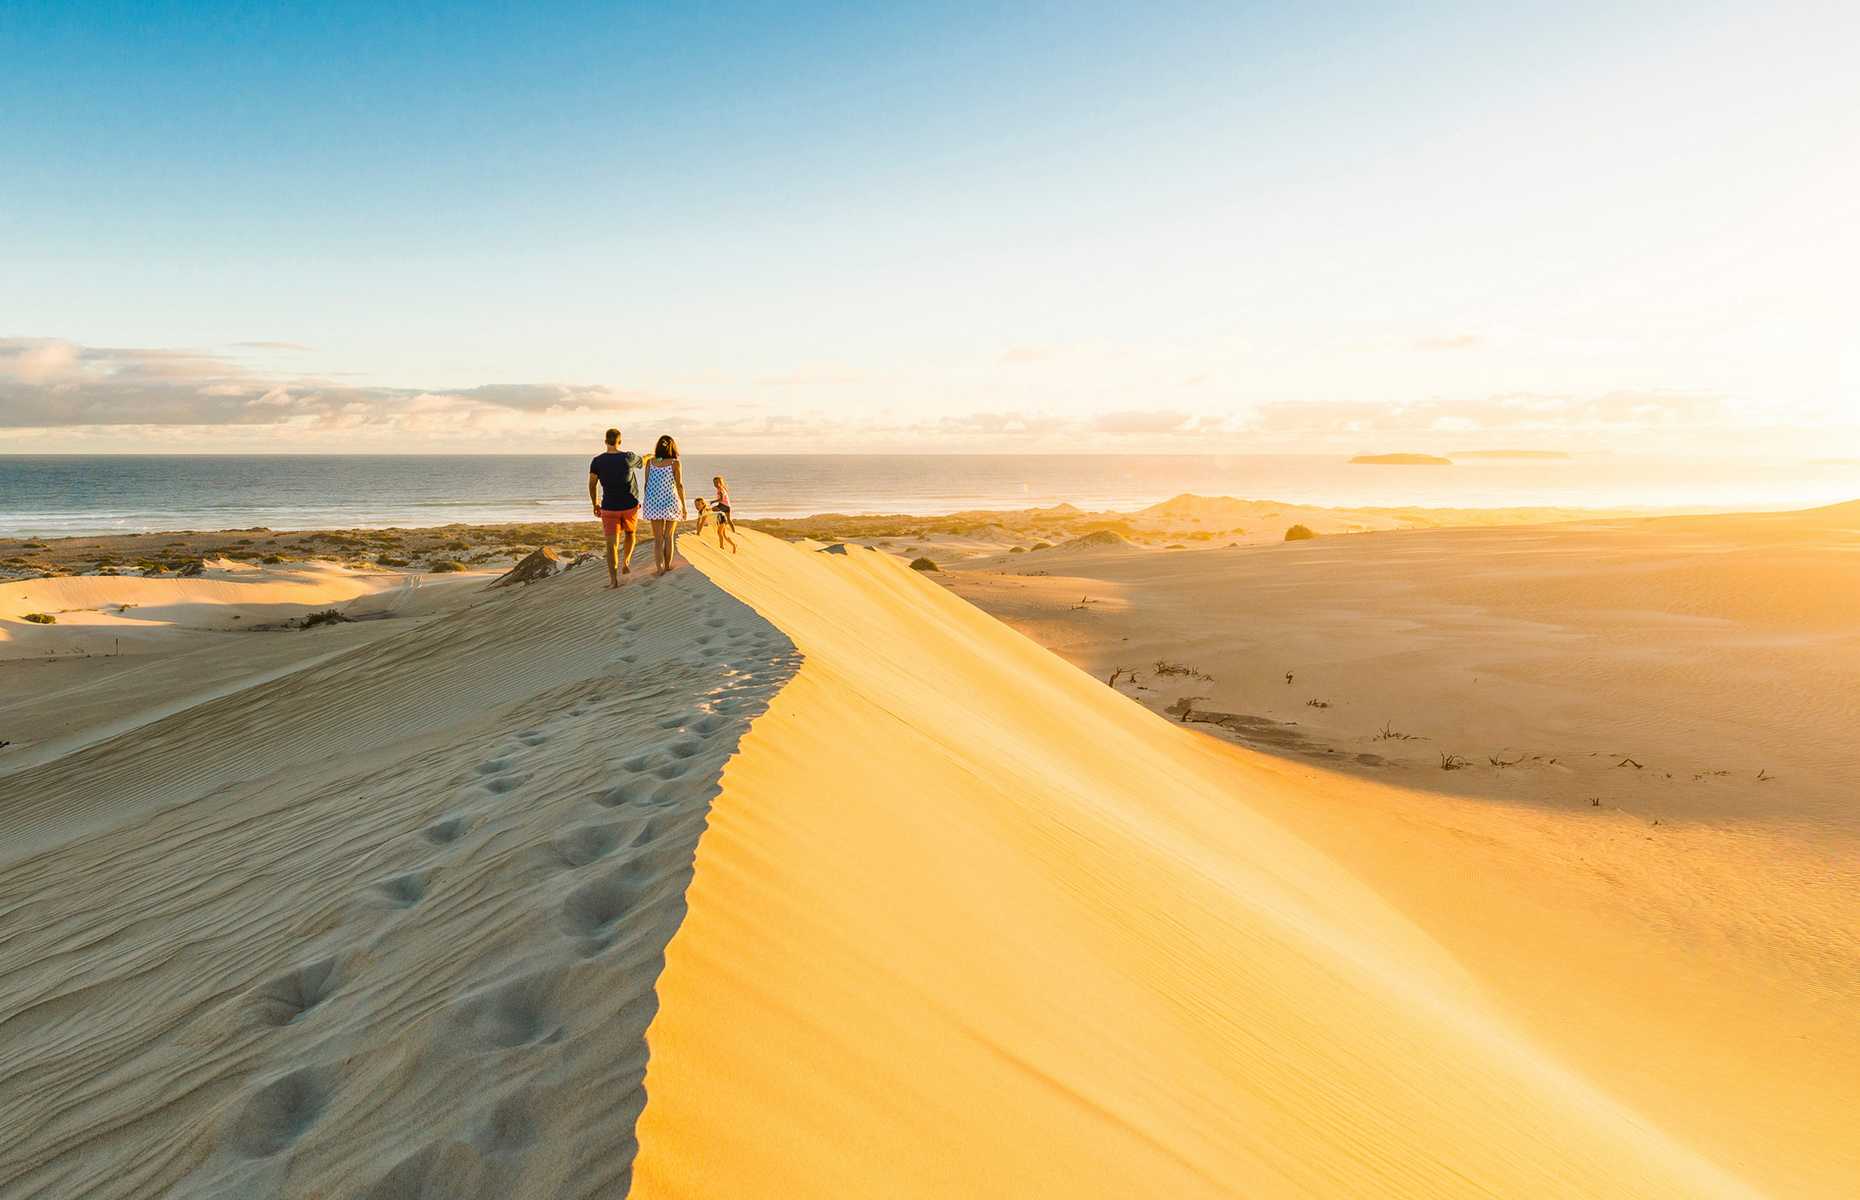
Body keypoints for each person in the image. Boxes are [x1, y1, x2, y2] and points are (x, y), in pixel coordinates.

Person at [587, 427, 642, 589]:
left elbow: (592, 484)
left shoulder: (597, 461)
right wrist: (656, 455)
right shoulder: (629, 457)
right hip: (629, 505)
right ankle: (626, 562)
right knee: (631, 534)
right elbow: (644, 460)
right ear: (620, 441)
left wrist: (595, 503)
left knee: (611, 545)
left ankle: (613, 581)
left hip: (609, 507)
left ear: (605, 441)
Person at [640, 435, 688, 576]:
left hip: (653, 502)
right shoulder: (675, 463)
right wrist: (684, 506)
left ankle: (659, 568)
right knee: (668, 536)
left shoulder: (650, 462)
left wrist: (648, 501)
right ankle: (667, 566)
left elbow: (646, 484)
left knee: (658, 539)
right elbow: (679, 485)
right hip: (670, 502)